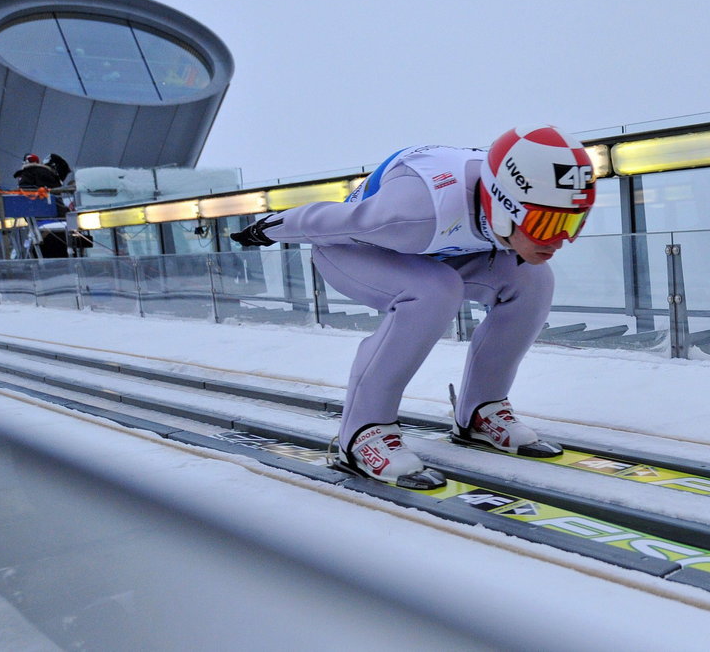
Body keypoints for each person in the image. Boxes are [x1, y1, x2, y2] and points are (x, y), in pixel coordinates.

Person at [231, 126, 596, 489]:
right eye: (547, 224)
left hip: (436, 247)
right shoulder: (410, 213)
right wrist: (264, 229)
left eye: (572, 223)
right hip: (354, 248)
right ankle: (364, 432)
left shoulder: (510, 208)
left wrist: (538, 226)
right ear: (502, 204)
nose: (559, 241)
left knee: (535, 280)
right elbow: (329, 222)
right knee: (434, 291)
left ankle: (481, 412)